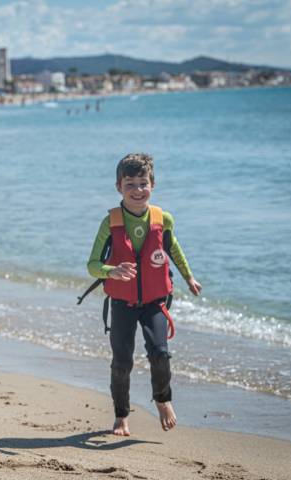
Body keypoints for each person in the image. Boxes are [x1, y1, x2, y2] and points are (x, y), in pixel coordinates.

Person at [86, 153, 201, 436]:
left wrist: (188, 276)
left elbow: (174, 250)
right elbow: (92, 266)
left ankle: (163, 400)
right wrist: (111, 271)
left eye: (143, 183)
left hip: (154, 302)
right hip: (122, 304)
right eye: (130, 184)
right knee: (122, 362)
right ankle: (121, 416)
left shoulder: (164, 219)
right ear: (118, 187)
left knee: (160, 353)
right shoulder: (110, 222)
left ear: (153, 184)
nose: (138, 190)